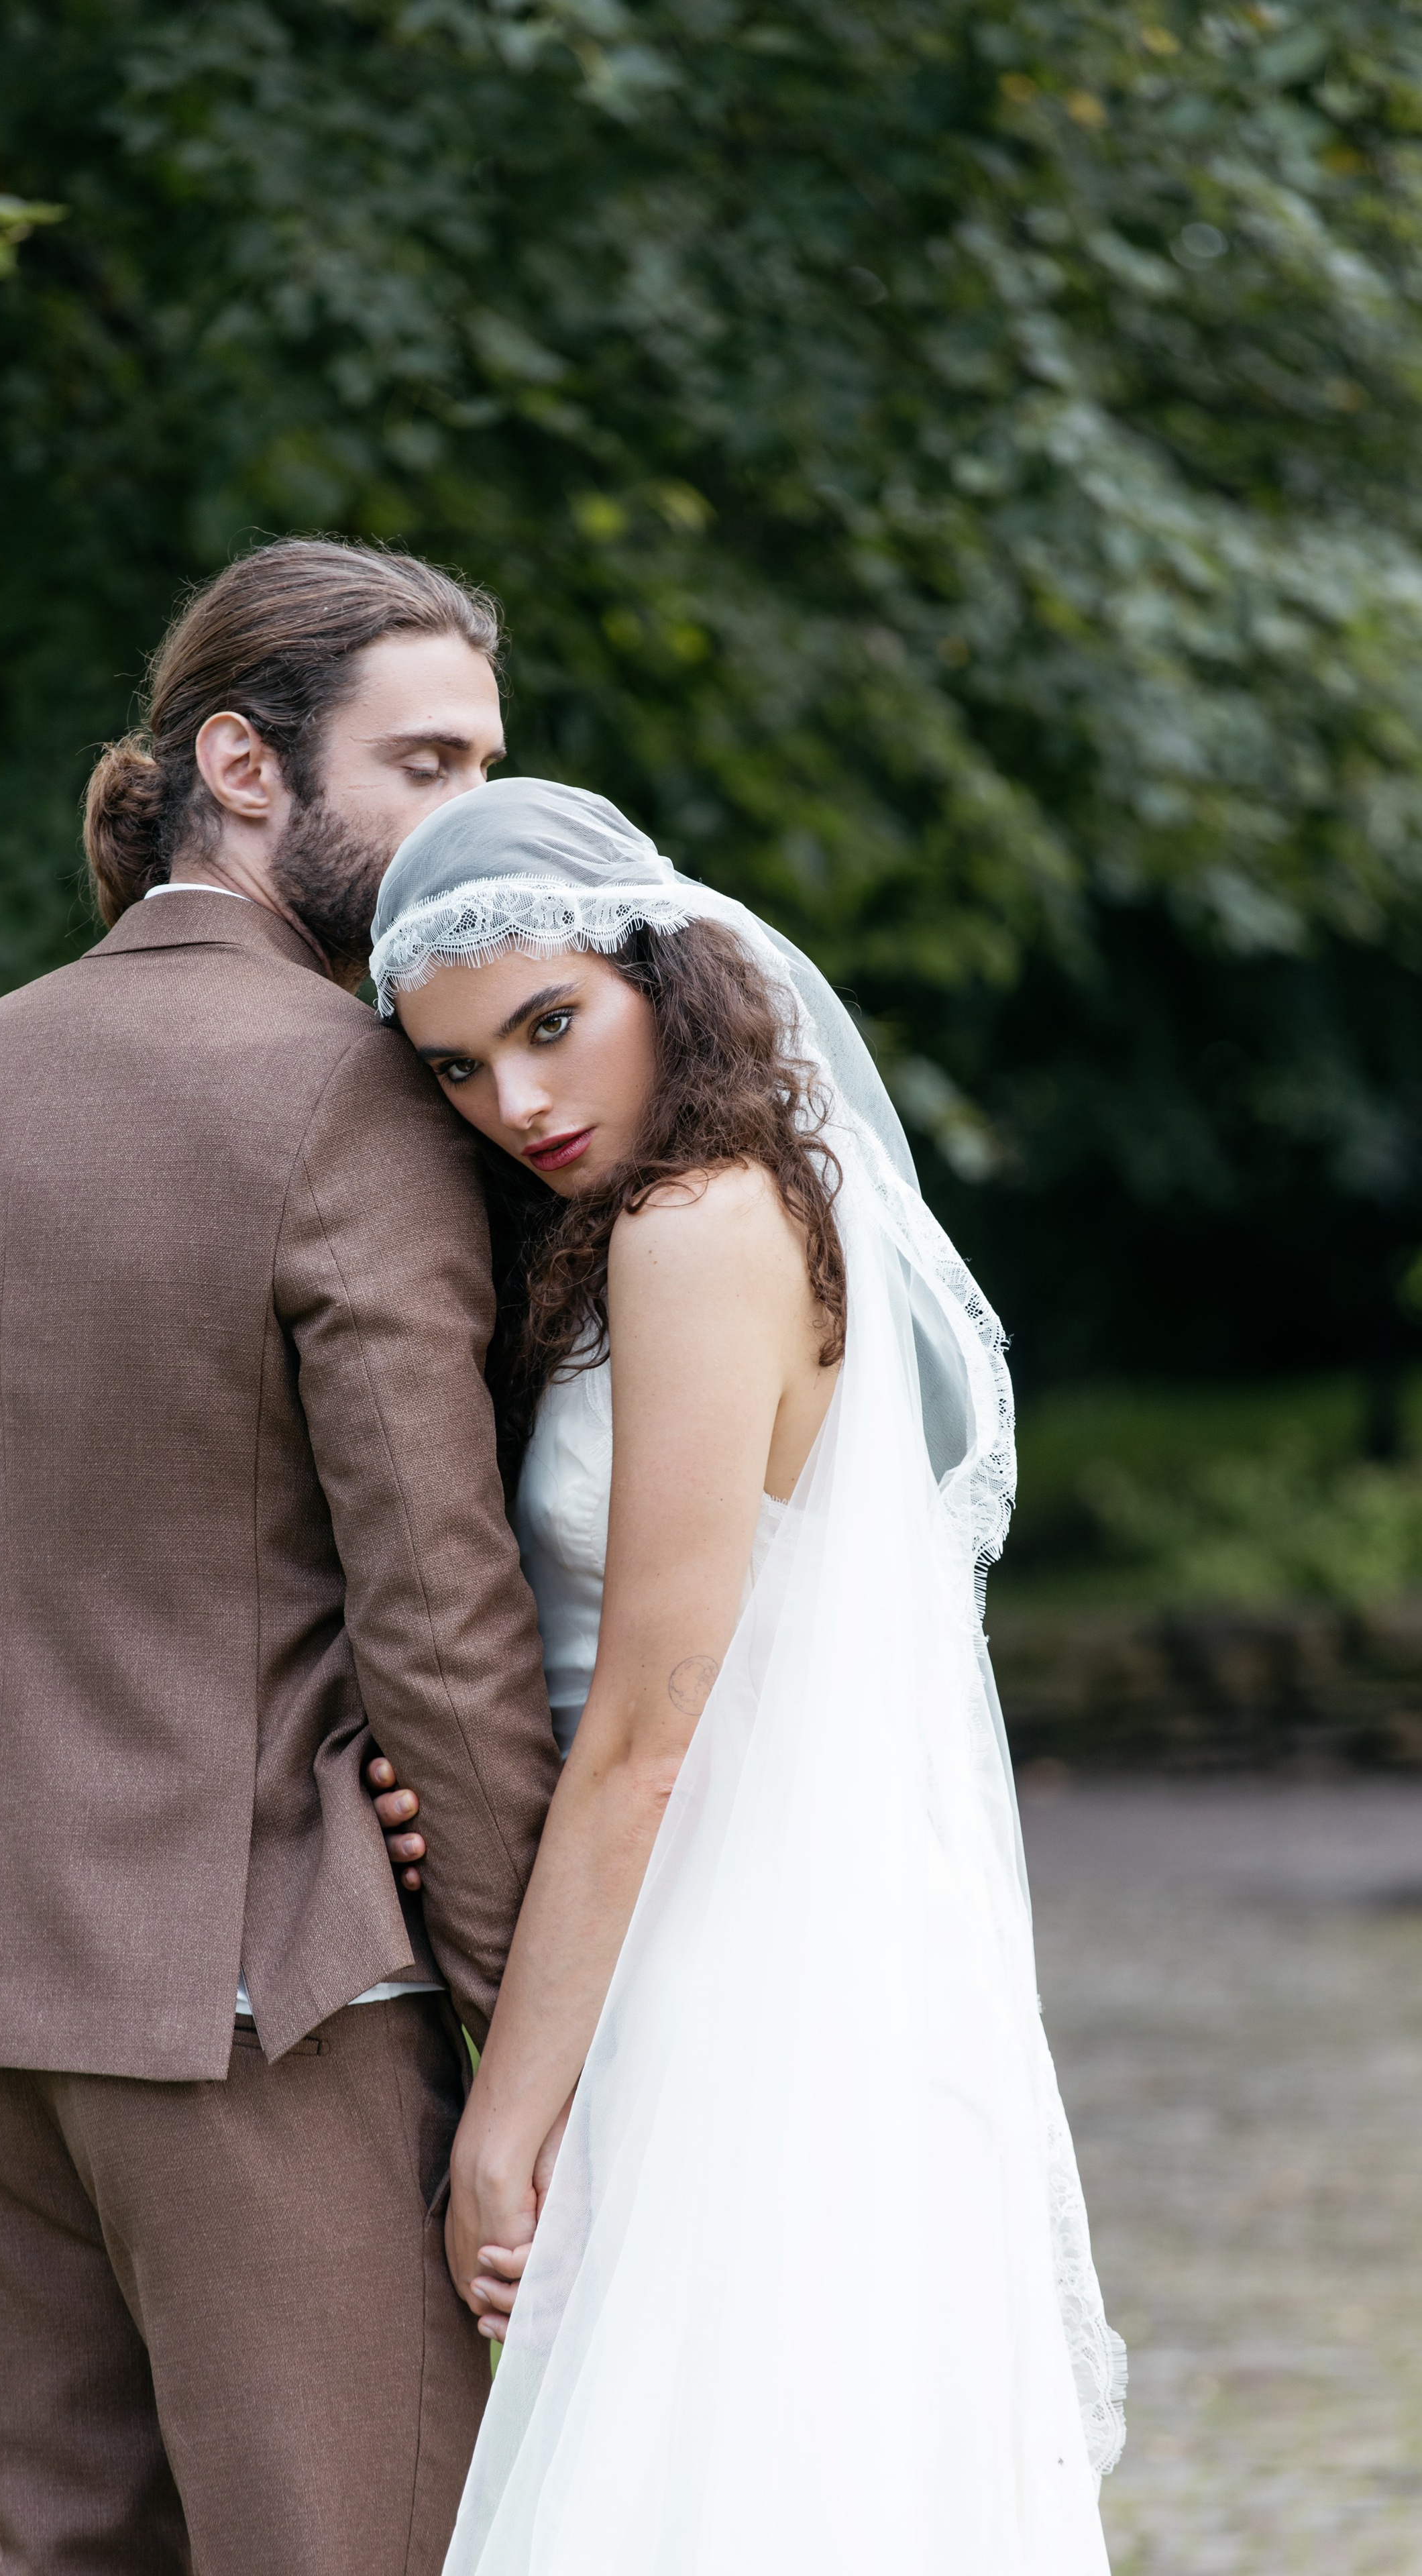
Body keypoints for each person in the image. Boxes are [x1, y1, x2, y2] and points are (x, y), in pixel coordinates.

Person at [0, 539, 561, 2576]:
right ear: (243, 763)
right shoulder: (354, 1098)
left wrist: (7, 1907)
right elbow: (442, 1618)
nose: (462, 818)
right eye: (423, 762)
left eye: (487, 766)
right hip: (271, 2010)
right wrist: (538, 2030)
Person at [366, 777, 1127, 2575]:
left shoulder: (694, 1226)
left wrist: (508, 2113)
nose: (520, 1104)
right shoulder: (759, 1200)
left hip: (742, 1965)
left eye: (551, 1027)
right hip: (812, 1937)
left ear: (671, 973)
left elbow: (650, 1725)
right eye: (461, 1072)